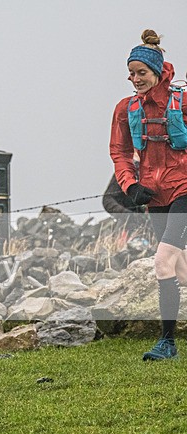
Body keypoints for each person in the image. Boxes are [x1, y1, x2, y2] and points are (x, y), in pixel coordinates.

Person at [110, 30, 187, 361]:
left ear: (156, 71)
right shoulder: (125, 109)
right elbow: (119, 152)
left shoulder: (182, 101)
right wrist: (130, 185)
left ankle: (167, 343)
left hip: (184, 189)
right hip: (154, 196)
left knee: (162, 261)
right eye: (131, 73)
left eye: (141, 72)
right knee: (180, 268)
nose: (135, 79)